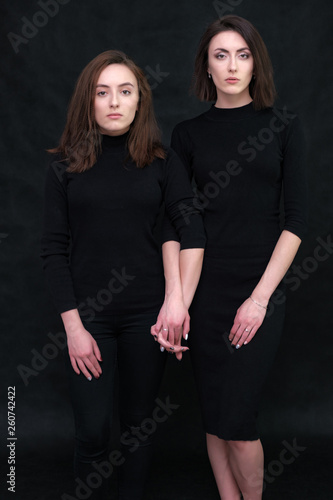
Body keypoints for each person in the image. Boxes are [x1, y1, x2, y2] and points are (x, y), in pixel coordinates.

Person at [41, 49, 205, 500]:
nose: (114, 101)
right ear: (88, 102)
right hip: (87, 317)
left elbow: (189, 226)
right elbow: (53, 251)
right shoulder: (64, 168)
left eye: (125, 91)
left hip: (145, 316)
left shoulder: (161, 162)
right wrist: (73, 328)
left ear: (139, 101)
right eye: (103, 91)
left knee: (137, 428)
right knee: (93, 431)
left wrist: (177, 301)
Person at [156, 15, 308, 500]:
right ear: (206, 65)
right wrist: (176, 298)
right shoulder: (187, 135)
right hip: (205, 290)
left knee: (239, 419)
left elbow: (298, 221)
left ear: (255, 64)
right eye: (220, 55)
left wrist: (260, 299)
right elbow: (175, 224)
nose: (232, 65)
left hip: (258, 289)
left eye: (242, 55)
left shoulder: (283, 127)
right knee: (216, 415)